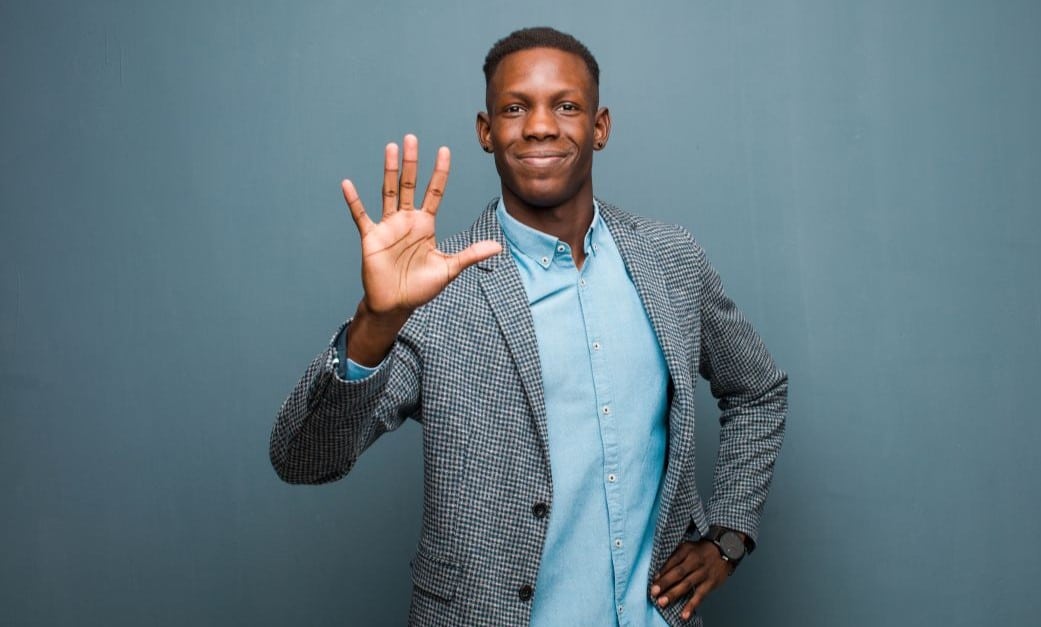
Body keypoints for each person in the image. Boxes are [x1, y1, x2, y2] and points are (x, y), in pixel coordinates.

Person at [271, 26, 787, 627]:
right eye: (515, 108)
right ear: (486, 132)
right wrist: (375, 321)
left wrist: (729, 533)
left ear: (600, 127)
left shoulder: (670, 259)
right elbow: (303, 458)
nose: (540, 126)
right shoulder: (437, 290)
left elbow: (758, 390)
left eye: (565, 106)